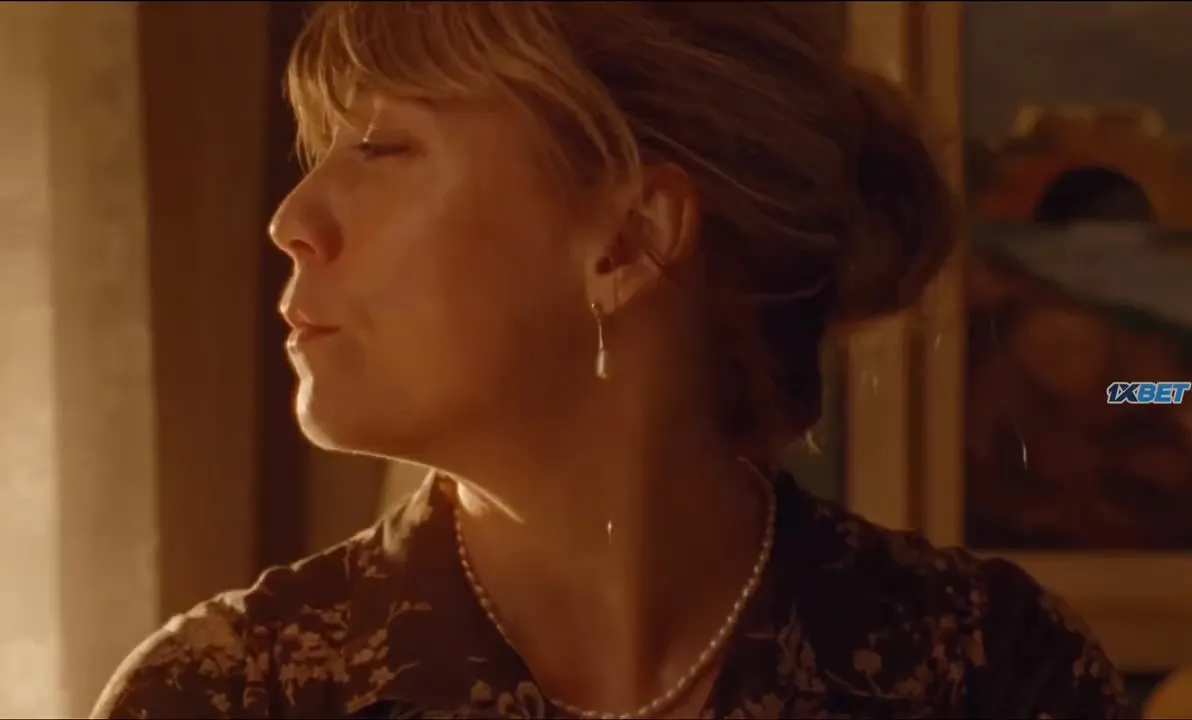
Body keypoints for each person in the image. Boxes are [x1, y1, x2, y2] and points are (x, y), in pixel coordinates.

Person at [92, 2, 1128, 718]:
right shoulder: (229, 695)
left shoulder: (987, 672)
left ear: (631, 240)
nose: (292, 219)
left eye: (381, 148)